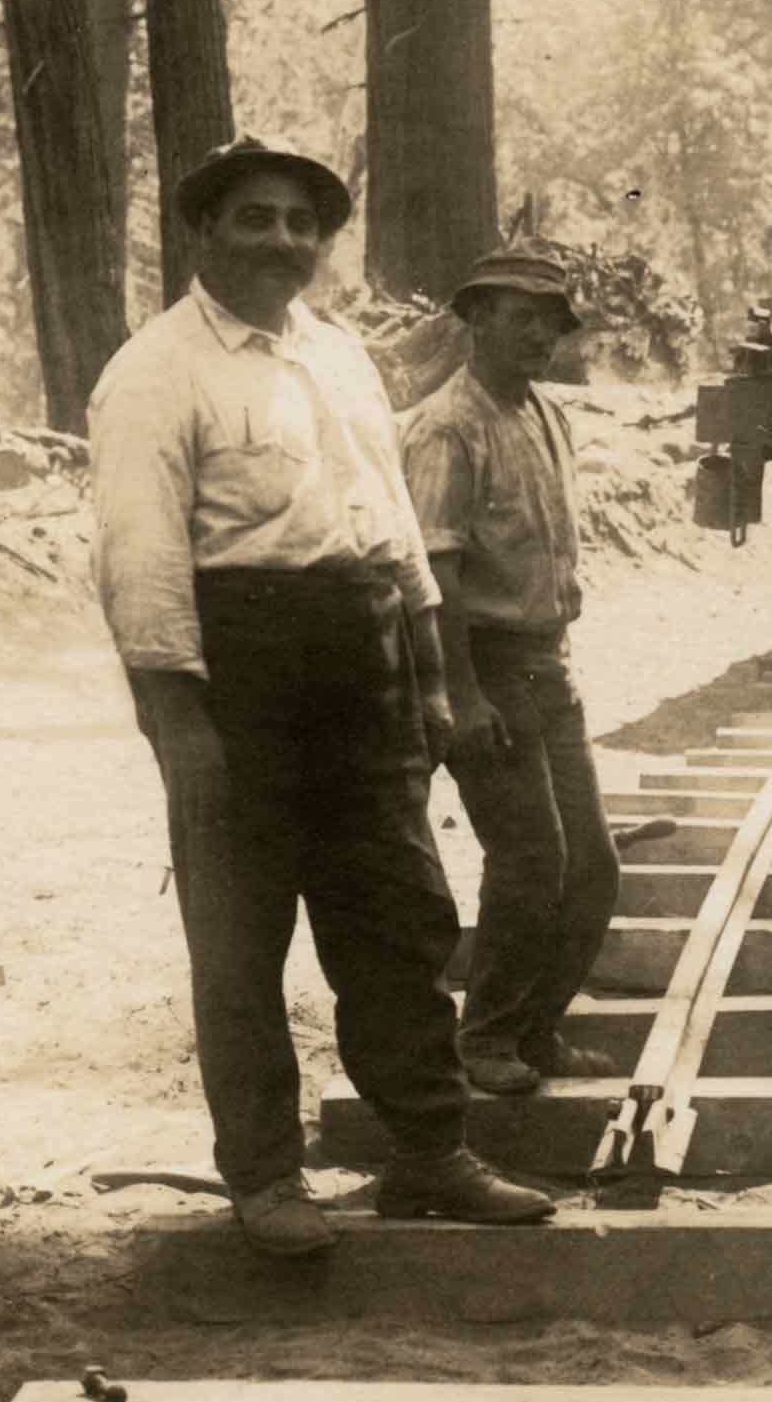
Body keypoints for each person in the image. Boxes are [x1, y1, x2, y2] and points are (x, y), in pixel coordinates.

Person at [87, 139, 556, 1257]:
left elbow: (393, 527)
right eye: (256, 220)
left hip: (364, 668)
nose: (283, 242)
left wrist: (434, 681)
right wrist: (181, 727)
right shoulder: (154, 372)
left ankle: (429, 1153)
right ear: (202, 233)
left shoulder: (341, 359)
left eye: (302, 223)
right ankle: (263, 1177)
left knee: (399, 919)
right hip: (237, 681)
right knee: (242, 942)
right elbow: (140, 563)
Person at [404, 245, 619, 1101]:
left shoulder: (543, 415)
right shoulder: (445, 426)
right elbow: (433, 573)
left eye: (552, 321)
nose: (540, 335)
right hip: (485, 667)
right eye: (522, 317)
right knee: (531, 860)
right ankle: (485, 1036)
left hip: (544, 667)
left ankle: (536, 1029)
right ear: (476, 318)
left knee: (592, 867)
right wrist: (458, 692)